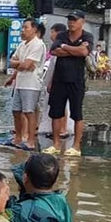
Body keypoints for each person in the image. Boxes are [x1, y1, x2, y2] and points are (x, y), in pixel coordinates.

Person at [44, 10, 93, 157]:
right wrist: (75, 49)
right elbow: (54, 51)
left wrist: (65, 47)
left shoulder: (87, 36)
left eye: (74, 20)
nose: (71, 22)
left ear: (82, 22)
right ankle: (56, 144)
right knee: (55, 113)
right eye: (69, 19)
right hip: (59, 79)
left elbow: (84, 52)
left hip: (77, 80)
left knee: (77, 114)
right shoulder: (62, 35)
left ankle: (76, 146)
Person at [7, 18, 45, 151]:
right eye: (22, 28)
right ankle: (18, 138)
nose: (22, 30)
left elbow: (26, 65)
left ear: (34, 29)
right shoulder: (22, 45)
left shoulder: (38, 44)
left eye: (26, 28)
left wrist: (21, 64)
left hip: (32, 84)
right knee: (16, 111)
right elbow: (12, 62)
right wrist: (21, 64)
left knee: (29, 111)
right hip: (20, 82)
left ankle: (30, 141)